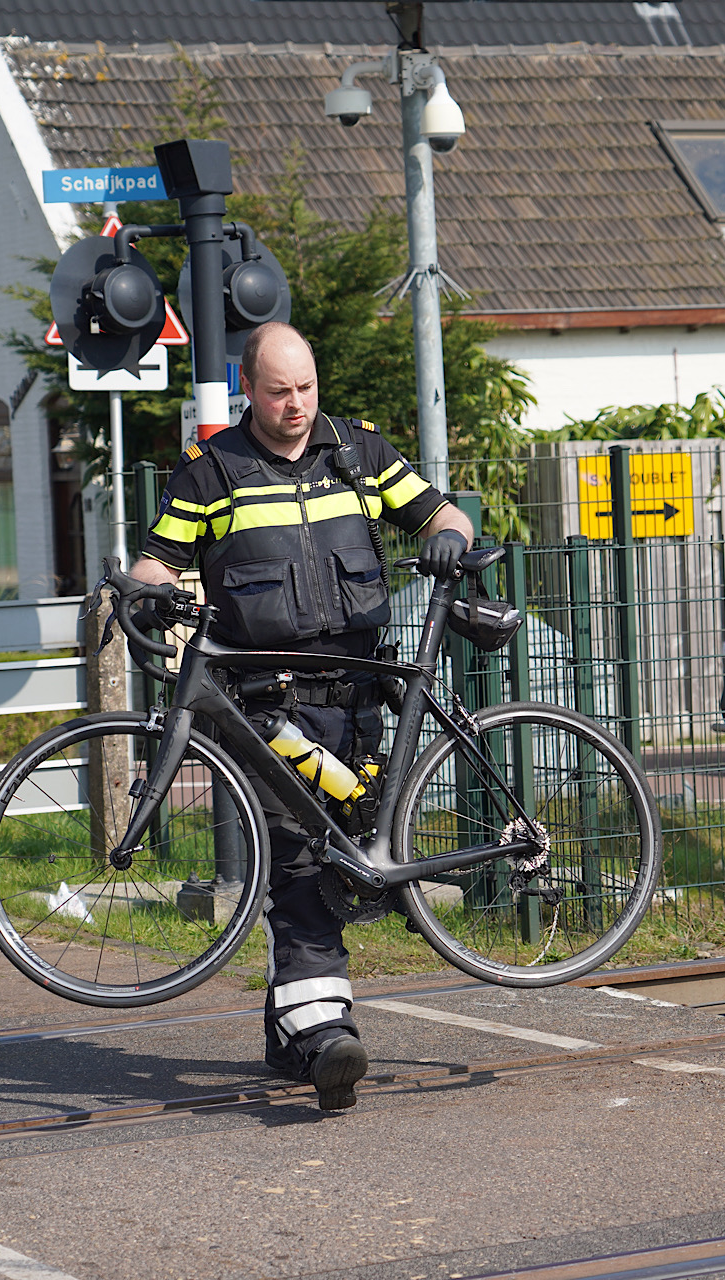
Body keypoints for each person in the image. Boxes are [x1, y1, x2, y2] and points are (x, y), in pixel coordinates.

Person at [129, 321, 472, 1110]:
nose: (297, 405)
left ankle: (292, 1036)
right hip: (267, 705)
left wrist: (451, 538)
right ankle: (325, 1036)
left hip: (358, 696)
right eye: (280, 391)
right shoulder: (211, 473)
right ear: (248, 388)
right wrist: (140, 587)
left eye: (307, 387)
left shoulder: (358, 453)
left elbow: (442, 516)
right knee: (298, 860)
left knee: (343, 856)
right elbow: (160, 559)